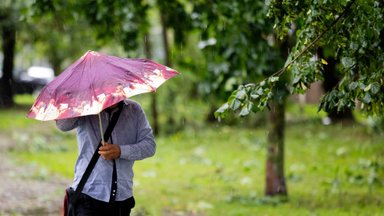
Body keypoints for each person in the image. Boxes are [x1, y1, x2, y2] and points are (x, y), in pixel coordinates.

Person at [56, 99, 156, 216]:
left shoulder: (134, 109)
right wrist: (78, 101)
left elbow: (149, 146)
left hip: (122, 198)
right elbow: (63, 125)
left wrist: (120, 151)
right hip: (88, 194)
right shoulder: (85, 107)